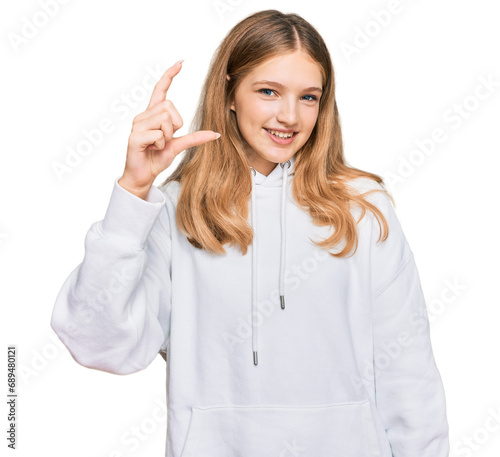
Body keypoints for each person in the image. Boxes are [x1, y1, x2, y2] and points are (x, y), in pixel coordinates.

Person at [50, 9, 449, 457]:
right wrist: (134, 192)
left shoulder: (361, 207)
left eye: (309, 97)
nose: (289, 116)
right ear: (231, 93)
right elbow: (97, 343)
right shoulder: (179, 210)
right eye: (268, 91)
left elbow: (409, 373)